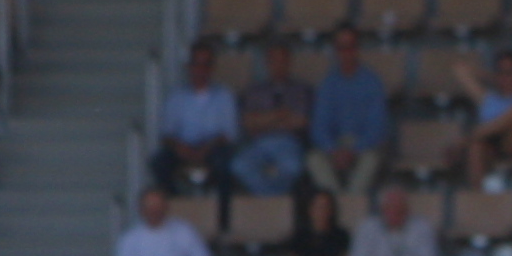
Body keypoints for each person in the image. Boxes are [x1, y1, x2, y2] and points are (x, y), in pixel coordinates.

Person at [155, 40, 241, 212]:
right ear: (189, 66)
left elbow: (230, 134)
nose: (201, 69)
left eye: (206, 64)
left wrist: (206, 149)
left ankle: (223, 217)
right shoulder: (176, 96)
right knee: (159, 162)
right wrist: (180, 147)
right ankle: (178, 209)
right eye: (197, 64)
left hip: (214, 148)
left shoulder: (224, 95)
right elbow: (166, 134)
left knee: (226, 164)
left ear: (212, 68)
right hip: (183, 147)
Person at [309, 28, 393, 202]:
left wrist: (354, 151)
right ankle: (336, 203)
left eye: (350, 47)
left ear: (357, 49)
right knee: (313, 159)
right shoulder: (328, 84)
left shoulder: (372, 82)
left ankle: (350, 205)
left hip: (365, 147)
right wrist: (333, 150)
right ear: (335, 50)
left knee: (371, 160)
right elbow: (319, 127)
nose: (346, 52)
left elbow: (377, 128)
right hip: (336, 146)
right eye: (341, 47)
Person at [234, 39, 316, 197]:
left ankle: (271, 202)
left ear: (289, 62)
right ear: (267, 63)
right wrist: (279, 115)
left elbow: (301, 121)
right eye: (274, 61)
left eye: (282, 60)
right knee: (239, 166)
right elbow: (248, 123)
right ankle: (272, 200)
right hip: (259, 144)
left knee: (293, 167)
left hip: (289, 143)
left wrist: (264, 121)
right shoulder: (255, 91)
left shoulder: (301, 90)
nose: (278, 65)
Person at [457, 49, 512, 189]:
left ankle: (467, 139)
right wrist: (493, 77)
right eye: (501, 72)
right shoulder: (489, 99)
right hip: (492, 146)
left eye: (509, 72)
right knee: (475, 148)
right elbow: (459, 69)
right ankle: (478, 195)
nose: (505, 77)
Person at [344, 183, 441, 256]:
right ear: (382, 209)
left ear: (407, 210)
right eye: (390, 209)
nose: (395, 214)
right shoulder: (367, 227)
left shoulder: (421, 227)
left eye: (400, 210)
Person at [112, 185, 210, 256]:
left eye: (158, 206)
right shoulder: (129, 239)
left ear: (166, 207)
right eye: (150, 206)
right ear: (141, 209)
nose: (154, 211)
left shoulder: (184, 231)